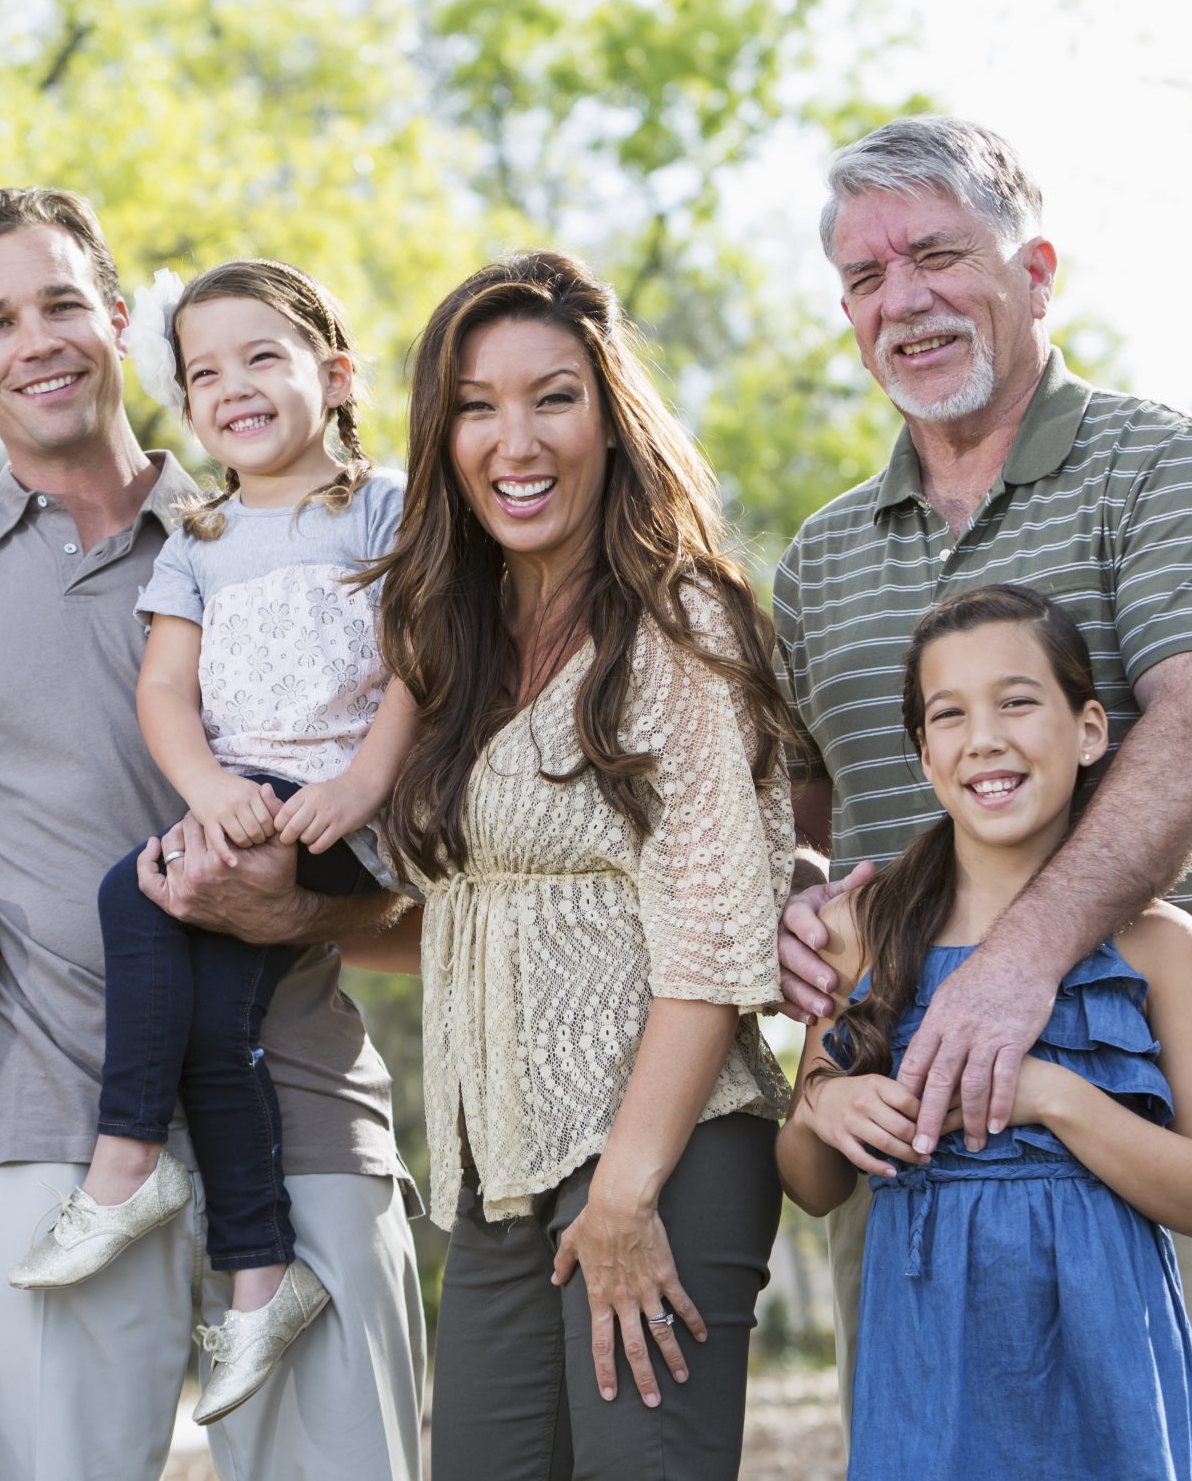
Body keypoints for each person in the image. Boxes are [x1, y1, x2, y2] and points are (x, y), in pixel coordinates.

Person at [772, 115, 1192, 1479]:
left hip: (1145, 1073)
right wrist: (790, 905)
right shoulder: (821, 558)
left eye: (937, 254)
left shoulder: (1160, 463)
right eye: (865, 276)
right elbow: (803, 806)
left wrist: (1018, 965)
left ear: (1036, 269)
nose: (904, 299)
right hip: (908, 1121)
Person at [0, 189, 425, 1481]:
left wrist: (305, 914)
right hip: (57, 1117)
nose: (38, 338)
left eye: (64, 301)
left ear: (124, 323)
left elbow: (446, 869)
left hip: (298, 1091)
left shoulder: (305, 529)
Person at [361, 249, 794, 1479]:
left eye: (553, 396)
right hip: (495, 1167)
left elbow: (717, 934)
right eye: (475, 406)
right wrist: (280, 918)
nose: (517, 439)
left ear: (610, 417)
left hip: (664, 1152)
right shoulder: (452, 642)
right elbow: (456, 912)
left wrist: (626, 1193)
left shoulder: (681, 624)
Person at [6, 259, 412, 1426]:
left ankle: (127, 1164)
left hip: (344, 815)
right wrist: (203, 789)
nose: (230, 387)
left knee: (138, 906)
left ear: (331, 376)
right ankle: (256, 1280)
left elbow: (424, 666)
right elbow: (165, 694)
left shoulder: (384, 508)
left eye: (260, 358)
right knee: (209, 1025)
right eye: (201, 373)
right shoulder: (198, 533)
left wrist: (362, 784)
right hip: (243, 805)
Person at [780, 583, 1192, 1478]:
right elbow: (809, 1186)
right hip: (929, 1370)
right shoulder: (863, 928)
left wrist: (1052, 1095)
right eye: (949, 714)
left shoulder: (1159, 944)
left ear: (1090, 730)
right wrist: (822, 1110)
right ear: (923, 754)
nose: (985, 738)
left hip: (1113, 1373)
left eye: (1018, 701)